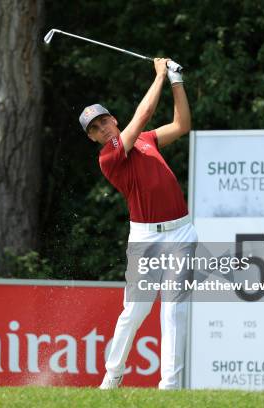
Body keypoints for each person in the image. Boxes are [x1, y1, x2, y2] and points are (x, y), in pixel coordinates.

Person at [79, 58, 198, 390]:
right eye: (95, 129)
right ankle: (113, 374)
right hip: (146, 238)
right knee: (135, 312)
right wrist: (159, 74)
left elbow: (182, 124)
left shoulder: (146, 139)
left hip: (182, 231)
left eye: (103, 122)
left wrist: (176, 82)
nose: (102, 129)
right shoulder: (109, 157)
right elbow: (143, 114)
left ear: (112, 119)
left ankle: (170, 387)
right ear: (93, 138)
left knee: (175, 311)